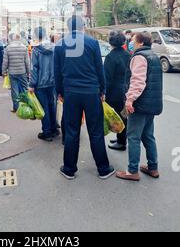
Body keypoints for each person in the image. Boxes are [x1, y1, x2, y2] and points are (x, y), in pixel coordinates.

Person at [54, 15, 115, 180]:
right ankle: (103, 169)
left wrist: (59, 92)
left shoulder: (59, 45)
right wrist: (103, 90)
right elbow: (99, 69)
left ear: (68, 28)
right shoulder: (92, 43)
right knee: (95, 131)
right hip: (91, 92)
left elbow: (57, 73)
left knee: (72, 131)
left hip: (70, 93)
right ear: (83, 27)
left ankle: (69, 169)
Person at [116, 32, 163, 182]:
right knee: (148, 136)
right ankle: (153, 167)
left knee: (134, 137)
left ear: (141, 42)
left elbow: (138, 81)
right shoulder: (154, 56)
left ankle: (132, 171)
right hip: (152, 104)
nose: (131, 43)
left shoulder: (139, 57)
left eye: (133, 40)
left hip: (140, 104)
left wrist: (129, 100)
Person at [29, 27, 58, 142]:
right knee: (52, 106)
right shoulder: (54, 47)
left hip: (40, 83)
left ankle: (47, 132)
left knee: (43, 108)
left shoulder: (36, 50)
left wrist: (31, 84)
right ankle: (54, 129)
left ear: (36, 36)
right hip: (53, 83)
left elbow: (34, 68)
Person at [104, 31, 131, 152]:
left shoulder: (111, 57)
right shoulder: (128, 54)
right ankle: (121, 137)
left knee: (118, 115)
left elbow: (107, 78)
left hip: (114, 92)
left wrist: (103, 92)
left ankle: (121, 141)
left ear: (111, 42)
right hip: (125, 89)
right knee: (123, 115)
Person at [2, 34, 30, 113]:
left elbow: (5, 62)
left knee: (14, 91)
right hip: (22, 72)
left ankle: (16, 108)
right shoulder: (24, 48)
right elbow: (27, 62)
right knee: (25, 89)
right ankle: (27, 106)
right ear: (20, 39)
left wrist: (3, 72)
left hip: (12, 72)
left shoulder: (8, 48)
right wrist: (29, 72)